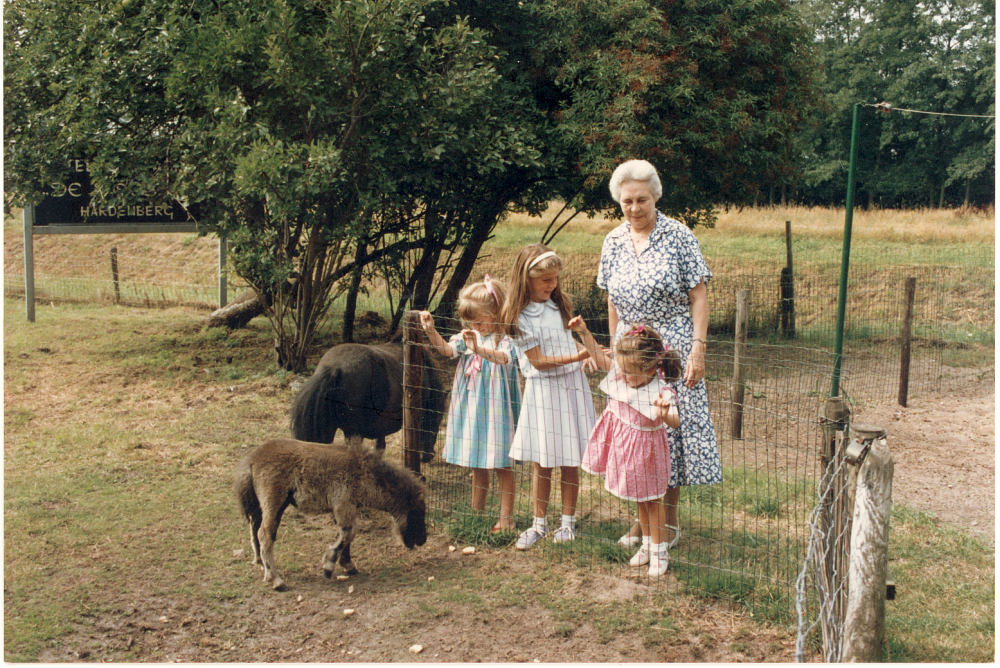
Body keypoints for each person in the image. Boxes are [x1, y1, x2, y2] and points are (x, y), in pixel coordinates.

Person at [599, 159, 722, 550]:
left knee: (665, 438)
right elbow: (611, 300)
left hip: (671, 350)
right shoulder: (613, 240)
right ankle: (642, 523)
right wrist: (614, 347)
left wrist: (698, 350)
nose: (634, 208)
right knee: (633, 436)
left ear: (656, 197)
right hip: (631, 353)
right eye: (627, 202)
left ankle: (666, 526)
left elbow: (699, 295)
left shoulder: (679, 236)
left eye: (642, 200)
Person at [498, 244, 597, 550]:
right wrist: (578, 354)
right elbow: (538, 361)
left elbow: (568, 340)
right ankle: (538, 523)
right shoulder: (519, 316)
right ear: (526, 279)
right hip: (544, 392)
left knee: (570, 457)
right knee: (543, 460)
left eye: (555, 279)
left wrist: (584, 358)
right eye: (545, 280)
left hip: (572, 389)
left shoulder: (560, 304)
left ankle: (567, 523)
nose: (552, 285)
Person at [572, 320, 682, 577]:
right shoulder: (624, 377)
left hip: (648, 455)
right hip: (627, 453)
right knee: (640, 500)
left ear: (652, 367)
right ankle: (646, 545)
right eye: (623, 369)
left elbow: (675, 422)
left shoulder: (660, 391)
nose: (624, 376)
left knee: (652, 501)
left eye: (631, 372)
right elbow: (599, 358)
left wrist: (665, 414)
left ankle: (659, 550)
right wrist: (584, 333)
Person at [420, 276, 521, 532]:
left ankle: (506, 517)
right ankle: (476, 513)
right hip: (473, 407)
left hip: (498, 408)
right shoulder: (469, 336)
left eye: (479, 320)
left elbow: (503, 359)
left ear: (497, 312)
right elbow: (446, 351)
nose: (475, 326)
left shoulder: (506, 338)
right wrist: (431, 329)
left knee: (501, 462)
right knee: (477, 460)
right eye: (470, 322)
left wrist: (478, 349)